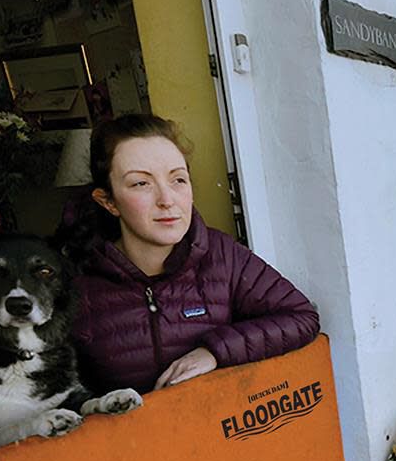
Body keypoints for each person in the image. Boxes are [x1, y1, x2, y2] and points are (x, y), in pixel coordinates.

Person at [67, 114, 319, 394]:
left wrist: (214, 352)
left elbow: (300, 317)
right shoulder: (75, 282)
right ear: (108, 201)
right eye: (141, 183)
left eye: (178, 180)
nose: (167, 200)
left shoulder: (221, 255)